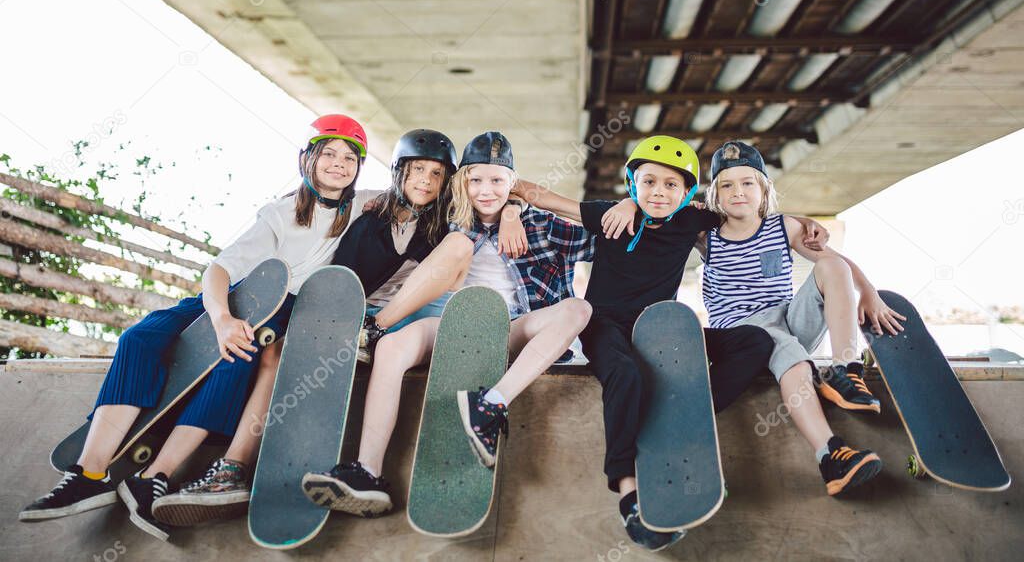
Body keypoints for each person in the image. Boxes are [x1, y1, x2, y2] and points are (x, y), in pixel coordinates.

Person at [19, 115, 377, 541]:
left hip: (282, 313)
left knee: (234, 362)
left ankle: (154, 477)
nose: (339, 164)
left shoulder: (365, 206)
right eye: (329, 154)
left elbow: (419, 190)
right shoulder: (280, 213)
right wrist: (223, 320)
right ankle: (90, 472)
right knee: (141, 335)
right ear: (307, 160)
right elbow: (219, 270)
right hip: (237, 298)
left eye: (349, 158)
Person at [511, 135, 828, 551]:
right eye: (648, 183)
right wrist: (512, 206)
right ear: (633, 184)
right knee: (623, 375)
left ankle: (684, 413)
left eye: (670, 185)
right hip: (604, 328)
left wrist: (803, 222)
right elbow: (548, 199)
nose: (659, 192)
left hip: (661, 332)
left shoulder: (693, 220)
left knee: (753, 341)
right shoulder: (609, 215)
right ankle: (628, 494)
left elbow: (745, 209)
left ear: (686, 193)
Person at [148, 129, 471, 525]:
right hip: (343, 314)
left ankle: (372, 333)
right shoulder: (367, 211)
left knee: (459, 246)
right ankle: (231, 469)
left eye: (437, 174)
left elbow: (496, 186)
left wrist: (510, 212)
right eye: (417, 169)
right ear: (397, 171)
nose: (426, 180)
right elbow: (326, 205)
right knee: (274, 353)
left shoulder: (447, 224)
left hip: (395, 325)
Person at [300, 131, 595, 515]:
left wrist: (517, 208)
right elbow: (402, 196)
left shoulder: (541, 225)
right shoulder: (450, 220)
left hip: (516, 330)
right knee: (392, 346)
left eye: (497, 181)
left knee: (578, 310)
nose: (485, 191)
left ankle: (492, 404)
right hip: (457, 325)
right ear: (461, 182)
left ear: (514, 182)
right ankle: (366, 472)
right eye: (475, 180)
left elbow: (616, 236)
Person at [700, 140, 905, 497]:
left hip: (790, 321)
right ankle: (830, 454)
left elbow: (839, 262)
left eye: (748, 183)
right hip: (745, 335)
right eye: (727, 185)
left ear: (764, 188)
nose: (738, 192)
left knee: (832, 265)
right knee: (794, 362)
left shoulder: (784, 227)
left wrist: (868, 292)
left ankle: (845, 369)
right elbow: (662, 214)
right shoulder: (706, 237)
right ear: (715, 194)